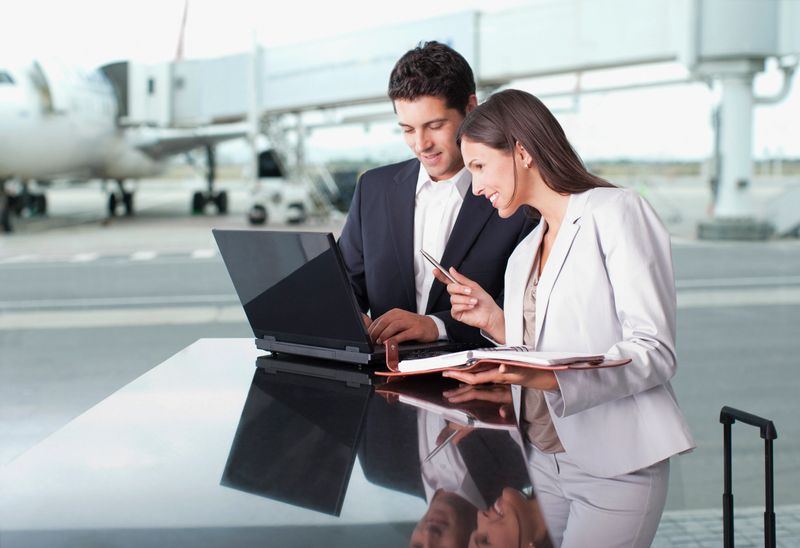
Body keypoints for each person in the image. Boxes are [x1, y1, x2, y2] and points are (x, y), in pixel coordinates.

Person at [431, 89, 695, 547]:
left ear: (522, 151)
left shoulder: (616, 212)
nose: (475, 187)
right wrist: (494, 323)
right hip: (544, 463)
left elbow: (654, 350)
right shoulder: (524, 252)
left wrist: (547, 378)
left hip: (616, 465)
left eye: (479, 166)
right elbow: (543, 346)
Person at [338, 42, 534, 346]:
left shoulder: (515, 197)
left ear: (471, 108)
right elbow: (345, 286)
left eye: (435, 126)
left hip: (475, 381)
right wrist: (350, 316)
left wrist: (435, 326)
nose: (421, 144)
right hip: (384, 379)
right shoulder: (373, 189)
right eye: (407, 129)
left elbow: (526, 314)